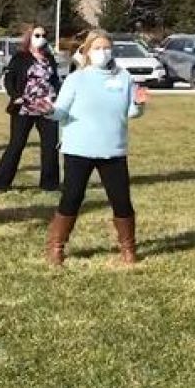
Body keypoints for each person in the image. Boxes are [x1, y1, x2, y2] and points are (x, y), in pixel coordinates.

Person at [33, 31, 148, 266]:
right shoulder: (77, 79)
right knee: (72, 198)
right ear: (86, 52)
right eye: (97, 48)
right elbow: (61, 111)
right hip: (79, 149)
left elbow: (131, 112)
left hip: (113, 150)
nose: (102, 52)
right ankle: (56, 247)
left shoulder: (124, 77)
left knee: (121, 200)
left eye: (107, 48)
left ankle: (128, 248)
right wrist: (48, 110)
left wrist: (139, 104)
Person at [0, 24, 61, 193]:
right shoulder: (20, 58)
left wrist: (55, 97)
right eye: (37, 35)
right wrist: (16, 96)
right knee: (16, 145)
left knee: (50, 146)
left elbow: (55, 80)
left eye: (43, 35)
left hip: (46, 108)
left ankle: (50, 184)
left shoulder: (49, 58)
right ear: (30, 37)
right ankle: (0, 183)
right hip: (24, 108)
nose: (40, 38)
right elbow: (9, 79)